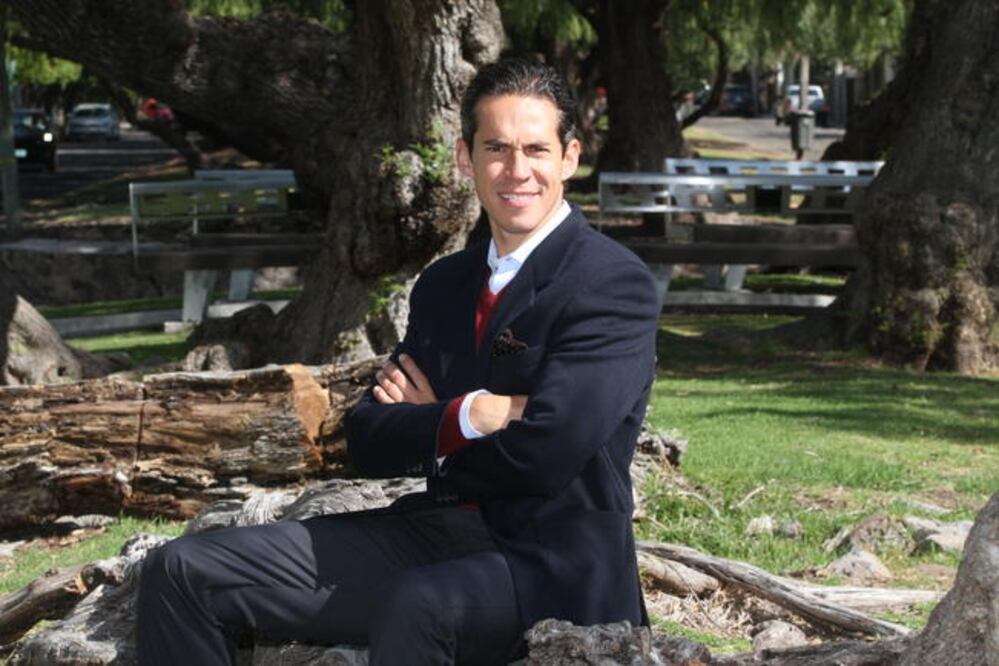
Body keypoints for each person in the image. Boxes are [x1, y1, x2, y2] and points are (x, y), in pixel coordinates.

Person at [136, 58, 659, 665]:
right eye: (496, 149)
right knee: (183, 570)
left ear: (569, 157)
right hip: (433, 533)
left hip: (553, 562)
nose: (517, 171)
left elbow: (549, 452)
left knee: (418, 604)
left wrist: (431, 422)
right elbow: (367, 437)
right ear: (466, 158)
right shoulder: (444, 284)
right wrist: (468, 415)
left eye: (536, 150)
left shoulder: (612, 283)